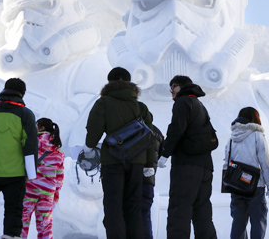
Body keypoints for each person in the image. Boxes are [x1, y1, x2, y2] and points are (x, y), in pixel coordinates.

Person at [84, 67, 154, 239]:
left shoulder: (103, 103)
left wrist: (89, 147)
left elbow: (94, 128)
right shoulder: (140, 107)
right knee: (134, 205)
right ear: (130, 83)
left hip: (113, 160)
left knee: (113, 205)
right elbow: (149, 137)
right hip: (137, 161)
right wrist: (149, 163)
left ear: (109, 82)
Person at [158, 75, 217, 239]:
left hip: (186, 166)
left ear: (183, 87)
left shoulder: (183, 102)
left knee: (180, 209)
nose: (171, 90)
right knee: (202, 211)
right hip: (205, 167)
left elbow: (176, 129)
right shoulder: (199, 105)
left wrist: (164, 154)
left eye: (174, 86)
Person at [0, 78, 38, 239]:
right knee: (13, 212)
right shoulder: (25, 115)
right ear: (22, 93)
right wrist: (31, 174)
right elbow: (30, 146)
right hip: (15, 175)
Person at [223, 107, 269, 239]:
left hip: (236, 186)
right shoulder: (258, 136)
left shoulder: (232, 138)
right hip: (256, 187)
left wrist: (227, 186)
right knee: (258, 221)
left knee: (238, 222)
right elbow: (265, 163)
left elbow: (227, 163)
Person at [21, 117, 65, 239]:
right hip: (47, 193)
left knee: (22, 223)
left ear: (42, 128)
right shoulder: (58, 151)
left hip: (29, 189)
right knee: (45, 226)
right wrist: (55, 198)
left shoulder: (31, 143)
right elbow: (59, 179)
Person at [142, 125, 164, 239]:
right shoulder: (158, 132)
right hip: (149, 180)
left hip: (135, 179)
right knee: (145, 216)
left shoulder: (134, 129)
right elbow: (160, 154)